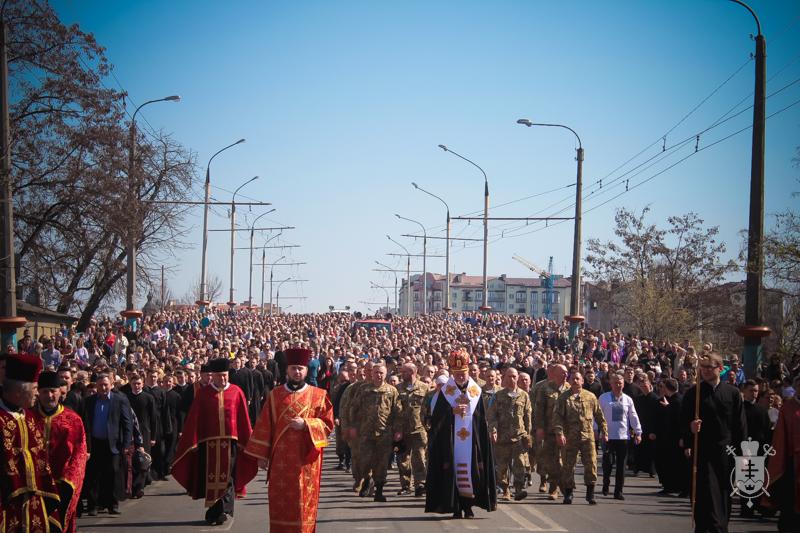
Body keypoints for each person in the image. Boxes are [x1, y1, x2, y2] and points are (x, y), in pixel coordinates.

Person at [244, 348, 334, 533]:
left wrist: (307, 424)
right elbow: (265, 425)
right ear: (287, 370)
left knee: (304, 502)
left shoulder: (319, 395)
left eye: (300, 368)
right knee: (281, 500)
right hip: (281, 460)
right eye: (293, 368)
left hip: (306, 460)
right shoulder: (275, 395)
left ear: (307, 370)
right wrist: (262, 455)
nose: (297, 372)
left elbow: (328, 424)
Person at [172, 357, 258, 526]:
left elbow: (243, 418)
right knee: (210, 477)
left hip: (231, 443)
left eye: (225, 375)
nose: (223, 379)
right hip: (208, 444)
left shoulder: (236, 392)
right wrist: (192, 440)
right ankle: (215, 511)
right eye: (219, 376)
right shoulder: (203, 393)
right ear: (213, 376)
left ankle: (223, 510)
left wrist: (247, 441)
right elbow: (195, 418)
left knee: (229, 476)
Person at [425, 348, 496, 519]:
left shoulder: (475, 391)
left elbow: (481, 419)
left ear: (468, 371)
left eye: (463, 373)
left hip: (472, 441)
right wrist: (452, 412)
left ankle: (469, 506)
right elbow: (436, 419)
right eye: (457, 374)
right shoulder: (446, 392)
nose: (461, 377)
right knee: (453, 472)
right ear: (452, 373)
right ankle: (456, 506)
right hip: (451, 441)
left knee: (472, 473)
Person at [682, 352, 747, 533]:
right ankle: (710, 527)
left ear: (720, 368)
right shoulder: (694, 393)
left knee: (723, 491)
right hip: (702, 451)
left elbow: (740, 425)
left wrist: (743, 454)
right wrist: (690, 428)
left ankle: (721, 525)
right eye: (702, 367)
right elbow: (682, 421)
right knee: (706, 492)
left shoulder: (733, 393)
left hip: (725, 451)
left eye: (709, 367)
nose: (705, 371)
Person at [0, 353, 63, 531]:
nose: (37, 393)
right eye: (35, 388)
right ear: (20, 390)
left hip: (35, 502)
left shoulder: (30, 417)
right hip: (6, 504)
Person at [31, 371, 88, 533]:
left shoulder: (73, 420)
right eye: (45, 391)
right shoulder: (28, 417)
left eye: (53, 391)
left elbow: (79, 455)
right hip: (35, 485)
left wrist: (69, 482)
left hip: (62, 486)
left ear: (60, 392)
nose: (49, 396)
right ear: (38, 392)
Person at [349, 362, 402, 502]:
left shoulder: (391, 391)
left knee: (382, 463)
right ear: (372, 374)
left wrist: (398, 430)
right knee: (364, 460)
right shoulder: (364, 389)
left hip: (384, 433)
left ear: (386, 374)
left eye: (381, 373)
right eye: (376, 372)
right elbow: (354, 408)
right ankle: (366, 480)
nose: (379, 375)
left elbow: (398, 412)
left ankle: (379, 491)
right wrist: (353, 426)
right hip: (366, 432)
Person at [554, 369, 607, 505]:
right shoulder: (563, 398)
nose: (575, 381)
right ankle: (568, 493)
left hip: (587, 437)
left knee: (591, 464)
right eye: (573, 379)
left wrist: (604, 431)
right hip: (570, 437)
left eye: (578, 379)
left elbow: (599, 415)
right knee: (568, 465)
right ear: (569, 381)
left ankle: (590, 493)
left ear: (582, 381)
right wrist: (559, 433)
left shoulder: (590, 397)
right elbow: (558, 417)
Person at [83, 372, 133, 516]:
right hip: (94, 443)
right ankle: (93, 505)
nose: (103, 388)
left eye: (106, 385)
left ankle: (112, 504)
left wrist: (126, 444)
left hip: (113, 444)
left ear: (111, 385)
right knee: (93, 475)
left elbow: (127, 423)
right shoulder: (89, 401)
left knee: (112, 473)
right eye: (100, 385)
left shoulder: (119, 400)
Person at [487, 366, 532, 502]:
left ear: (517, 378)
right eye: (509, 376)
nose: (512, 379)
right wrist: (493, 431)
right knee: (502, 466)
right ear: (504, 378)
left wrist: (528, 435)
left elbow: (527, 416)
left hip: (519, 437)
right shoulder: (498, 396)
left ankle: (518, 490)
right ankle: (505, 489)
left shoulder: (524, 395)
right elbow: (492, 416)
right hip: (502, 437)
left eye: (514, 376)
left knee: (520, 464)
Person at [763, 374, 800, 532]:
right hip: (792, 461)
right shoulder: (788, 408)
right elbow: (780, 437)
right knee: (791, 502)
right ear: (795, 387)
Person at [599, 372, 642, 500]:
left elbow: (633, 416)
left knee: (621, 466)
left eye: (620, 383)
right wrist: (596, 430)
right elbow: (597, 415)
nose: (618, 385)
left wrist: (638, 432)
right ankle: (606, 482)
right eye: (615, 383)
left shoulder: (628, 399)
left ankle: (618, 491)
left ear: (623, 384)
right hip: (608, 436)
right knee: (608, 463)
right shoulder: (604, 398)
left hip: (623, 436)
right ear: (611, 384)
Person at [534, 363, 568, 500]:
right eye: (562, 372)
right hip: (549, 430)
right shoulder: (544, 389)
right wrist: (539, 428)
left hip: (566, 431)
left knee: (563, 460)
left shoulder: (570, 389)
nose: (565, 375)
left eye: (566, 372)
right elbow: (539, 410)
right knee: (551, 460)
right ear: (555, 374)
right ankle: (554, 487)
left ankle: (560, 486)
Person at [395, 362, 429, 497]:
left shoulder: (424, 387)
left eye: (405, 372)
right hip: (403, 429)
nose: (402, 374)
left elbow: (428, 408)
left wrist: (428, 426)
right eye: (402, 371)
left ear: (413, 372)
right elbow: (395, 410)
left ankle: (420, 484)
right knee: (403, 459)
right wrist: (397, 430)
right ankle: (405, 485)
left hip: (419, 428)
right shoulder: (397, 388)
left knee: (419, 457)